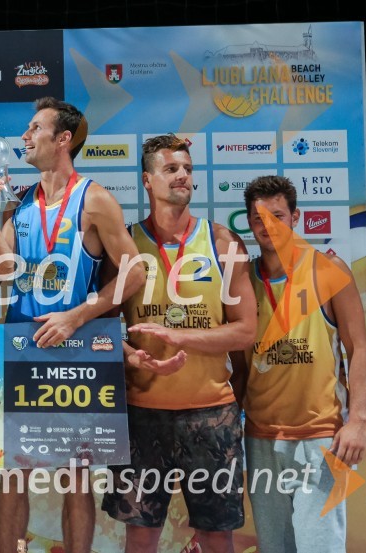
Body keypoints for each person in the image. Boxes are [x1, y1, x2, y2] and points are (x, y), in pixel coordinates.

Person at [0, 97, 145, 553]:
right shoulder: (24, 199)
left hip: (75, 350)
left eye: (35, 129)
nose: (25, 138)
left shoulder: (94, 198)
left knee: (77, 477)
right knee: (15, 472)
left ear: (63, 139)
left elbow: (135, 272)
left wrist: (78, 315)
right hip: (22, 346)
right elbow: (2, 271)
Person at [100, 133, 257, 553]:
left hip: (211, 416)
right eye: (171, 169)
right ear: (147, 181)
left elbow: (245, 331)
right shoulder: (126, 246)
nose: (183, 175)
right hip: (140, 415)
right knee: (140, 533)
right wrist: (132, 355)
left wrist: (179, 336)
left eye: (187, 168)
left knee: (216, 534)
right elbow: (100, 331)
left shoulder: (223, 243)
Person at [231, 175, 366, 553]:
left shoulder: (328, 270)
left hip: (322, 439)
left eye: (277, 216)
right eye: (258, 219)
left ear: (295, 217)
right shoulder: (244, 281)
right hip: (260, 439)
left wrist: (358, 420)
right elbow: (239, 366)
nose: (267, 227)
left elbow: (359, 349)